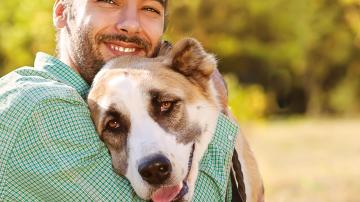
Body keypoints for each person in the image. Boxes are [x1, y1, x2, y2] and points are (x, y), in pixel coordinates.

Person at [0, 0, 239, 201]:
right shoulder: (39, 107)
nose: (131, 25)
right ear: (62, 12)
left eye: (150, 9)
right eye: (110, 0)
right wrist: (210, 98)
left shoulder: (93, 105)